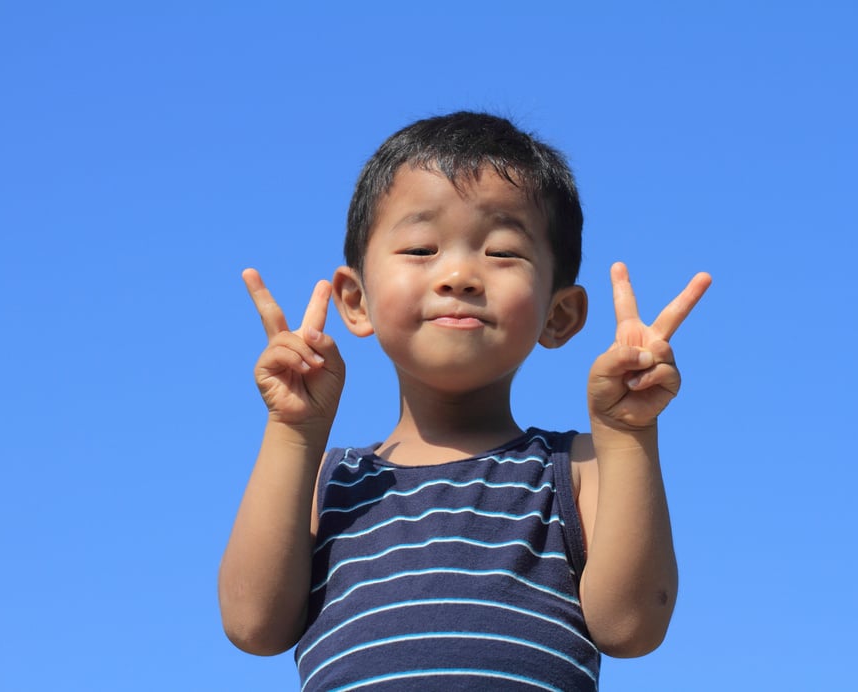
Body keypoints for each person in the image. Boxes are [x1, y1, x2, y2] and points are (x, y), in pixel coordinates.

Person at [219, 112, 711, 691]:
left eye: (502, 252)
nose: (458, 274)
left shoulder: (576, 470)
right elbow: (252, 625)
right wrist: (293, 431)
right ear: (356, 300)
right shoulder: (329, 482)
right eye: (422, 247)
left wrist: (628, 435)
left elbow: (632, 627)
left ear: (560, 315)